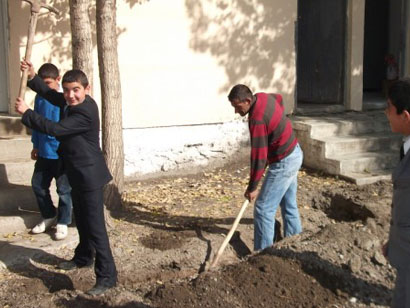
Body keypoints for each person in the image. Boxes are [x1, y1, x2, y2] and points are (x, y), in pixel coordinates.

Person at [15, 60, 117, 296]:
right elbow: (51, 95)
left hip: (89, 176)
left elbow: (57, 129)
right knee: (80, 219)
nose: (70, 95)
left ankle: (107, 277)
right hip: (76, 173)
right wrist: (32, 77)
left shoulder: (85, 111)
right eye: (68, 90)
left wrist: (27, 113)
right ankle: (83, 257)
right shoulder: (72, 101)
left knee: (96, 228)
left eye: (76, 90)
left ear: (87, 89)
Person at [227, 84, 303, 251]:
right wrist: (278, 127)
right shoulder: (262, 97)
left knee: (263, 209)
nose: (236, 111)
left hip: (284, 162)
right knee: (288, 203)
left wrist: (252, 187)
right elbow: (280, 100)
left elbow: (259, 157)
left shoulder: (257, 119)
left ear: (247, 101)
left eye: (237, 107)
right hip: (294, 152)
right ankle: (296, 243)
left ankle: (263, 254)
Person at [29, 63, 72, 240]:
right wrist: (36, 145)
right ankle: (49, 215)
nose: (45, 87)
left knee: (63, 190)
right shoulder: (39, 99)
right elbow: (36, 125)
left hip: (60, 154)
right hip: (44, 152)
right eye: (42, 83)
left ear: (58, 79)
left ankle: (63, 221)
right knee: (38, 184)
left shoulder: (63, 100)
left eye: (48, 83)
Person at [382, 78, 410, 308]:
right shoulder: (405, 146)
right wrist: (394, 240)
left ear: (405, 115)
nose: (385, 113)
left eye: (389, 108)